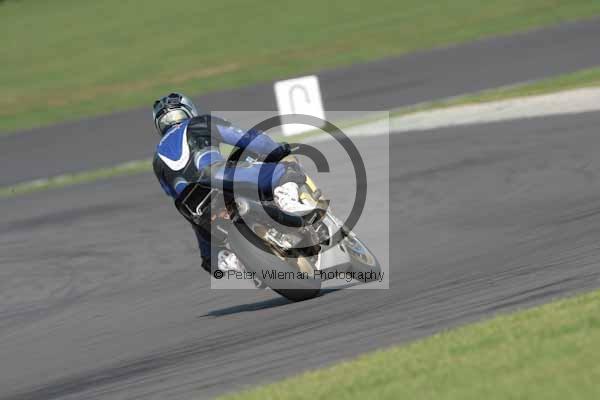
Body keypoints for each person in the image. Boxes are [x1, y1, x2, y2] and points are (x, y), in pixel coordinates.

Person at [152, 93, 303, 274]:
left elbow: (176, 198)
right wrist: (276, 149)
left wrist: (207, 255)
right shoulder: (198, 122)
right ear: (188, 110)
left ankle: (226, 258)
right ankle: (288, 201)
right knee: (287, 169)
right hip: (217, 176)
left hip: (193, 206)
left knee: (202, 231)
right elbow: (246, 138)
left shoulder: (156, 160)